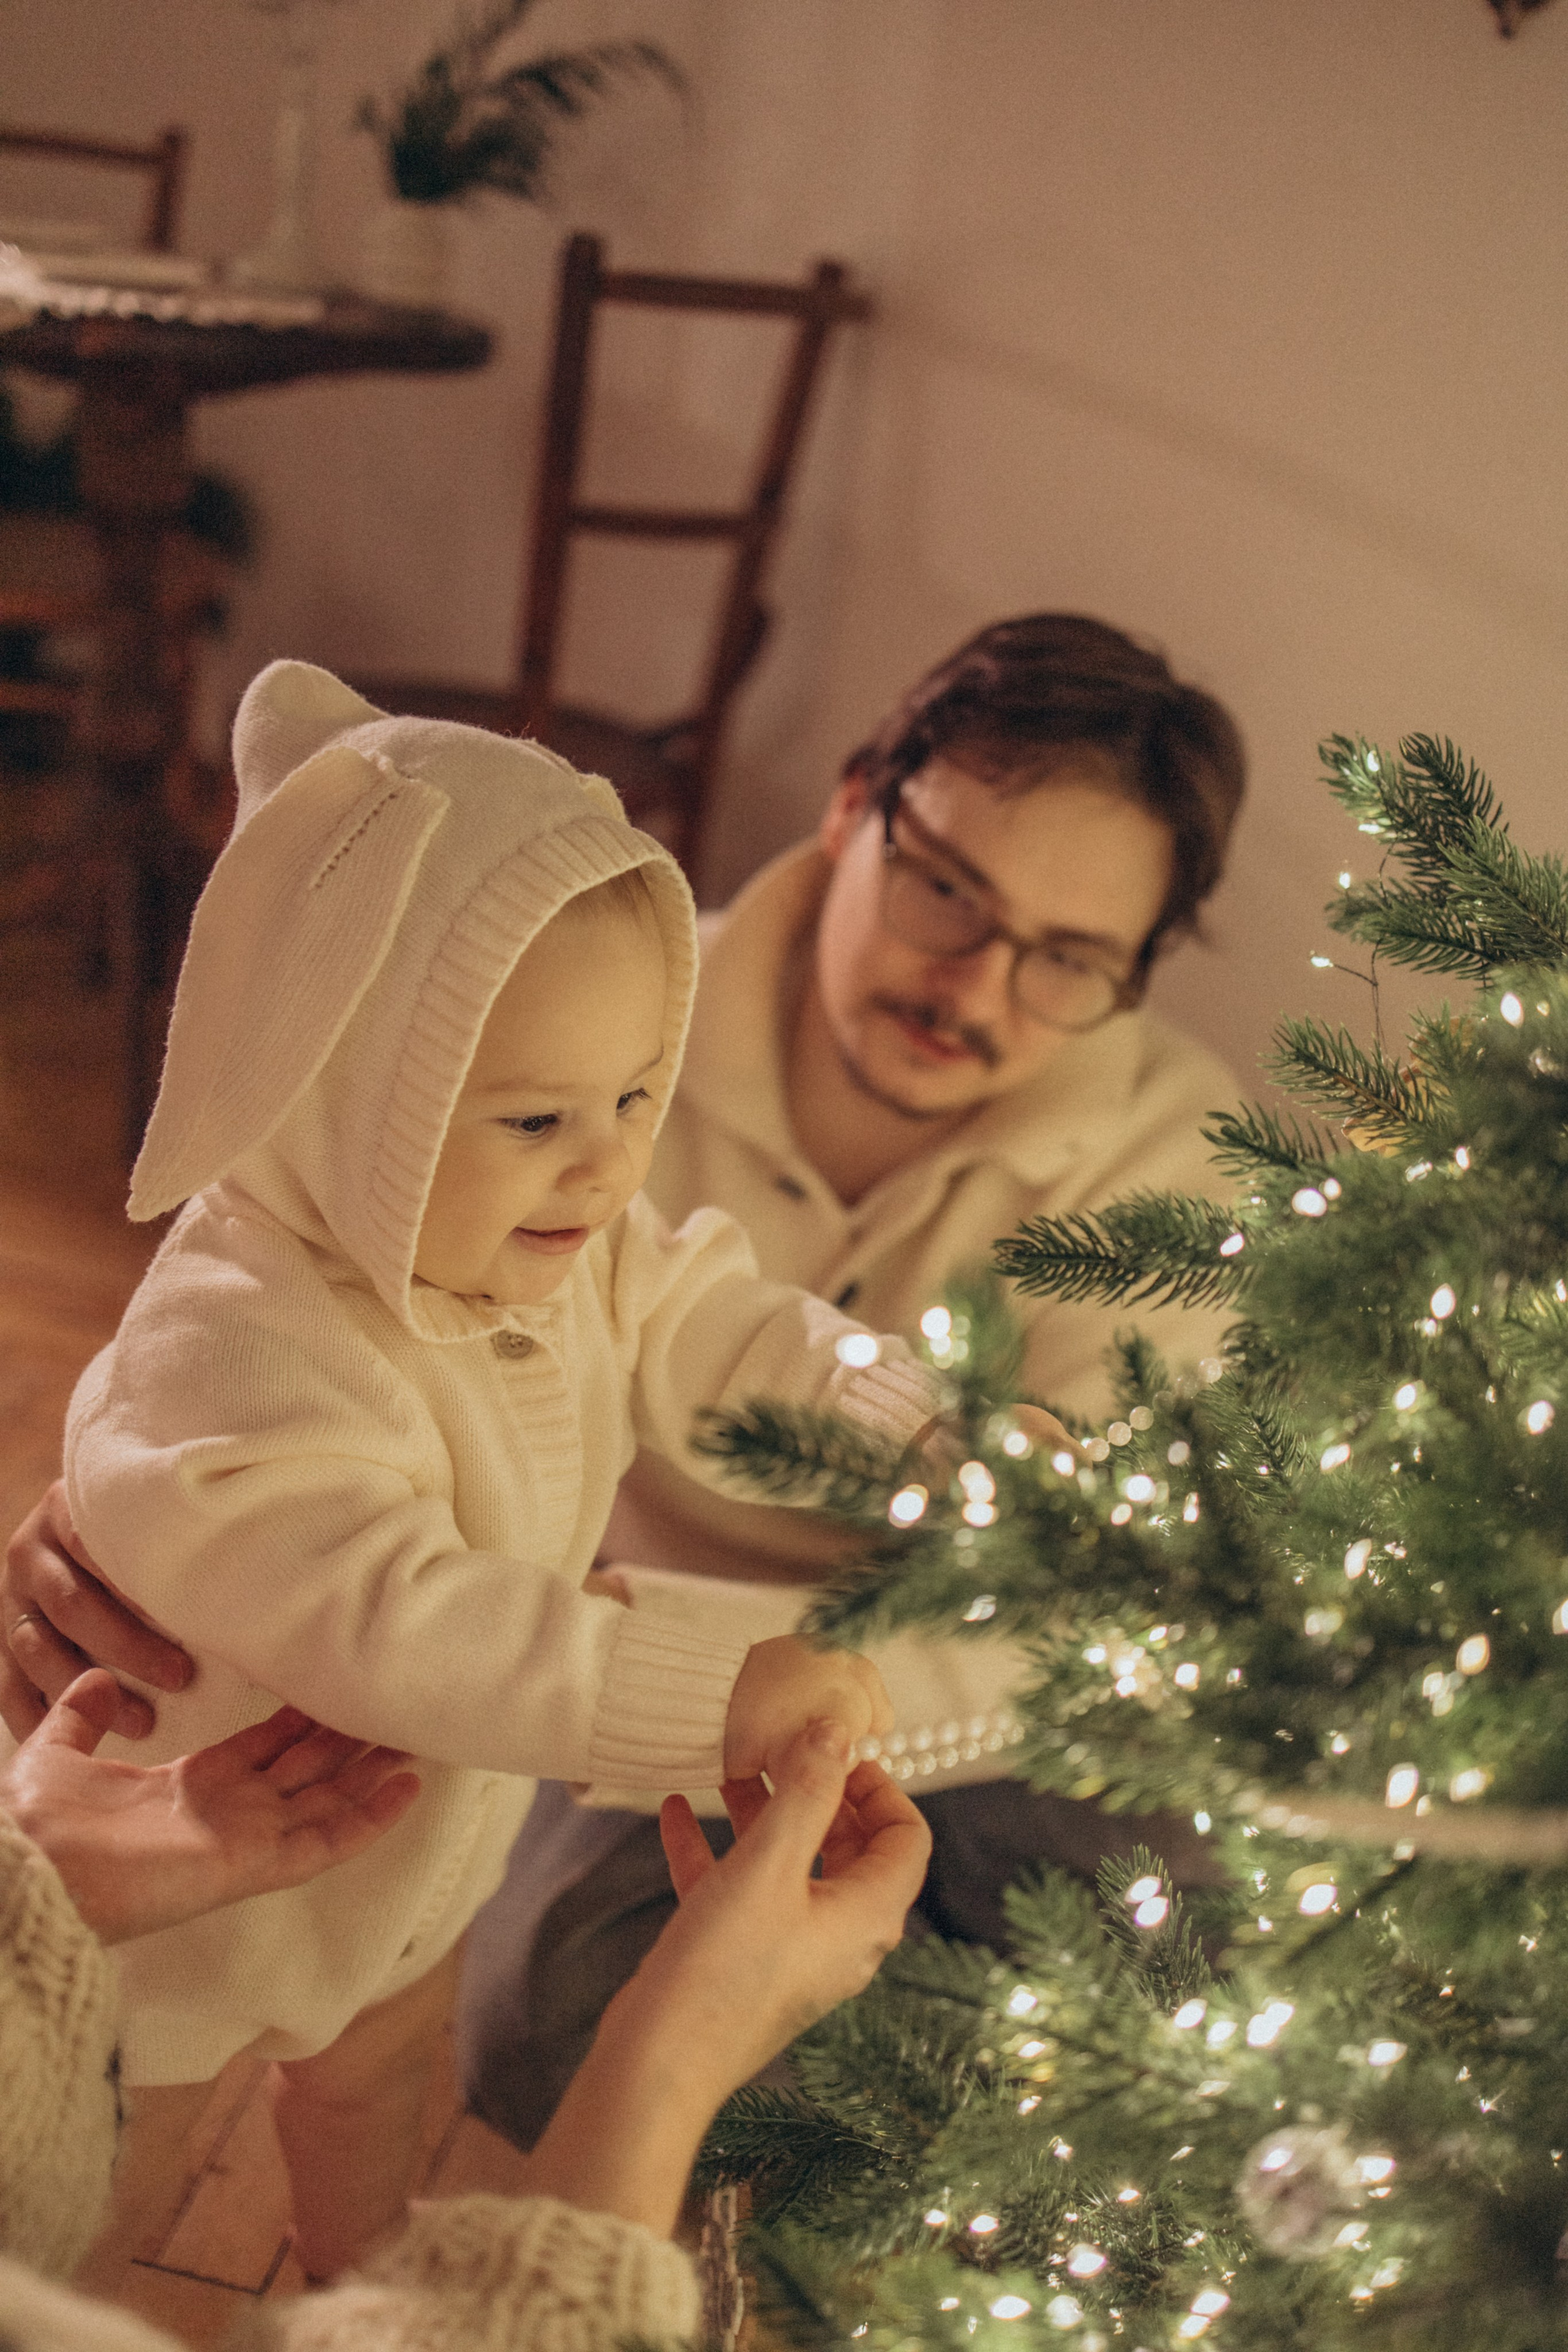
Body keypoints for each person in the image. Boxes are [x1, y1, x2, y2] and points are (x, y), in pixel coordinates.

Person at [2, 612, 1248, 2155]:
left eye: (1068, 959)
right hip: (585, 1687)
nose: (975, 986)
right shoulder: (566, 991)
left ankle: (1015, 2109)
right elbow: (280, 1380)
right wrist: (122, 1495)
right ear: (856, 804)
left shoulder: (1181, 1178)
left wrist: (937, 1446)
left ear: (1138, 971)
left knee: (1197, 1943)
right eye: (945, 893)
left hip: (928, 1690)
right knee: (538, 2010)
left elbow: (730, 1329)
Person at [0, 1673, 928, 2352]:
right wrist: (683, 2037)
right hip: (163, 1885)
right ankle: (95, 2287)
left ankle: (354, 2267)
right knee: (119, 2163)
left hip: (338, 1830)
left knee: (370, 2079)